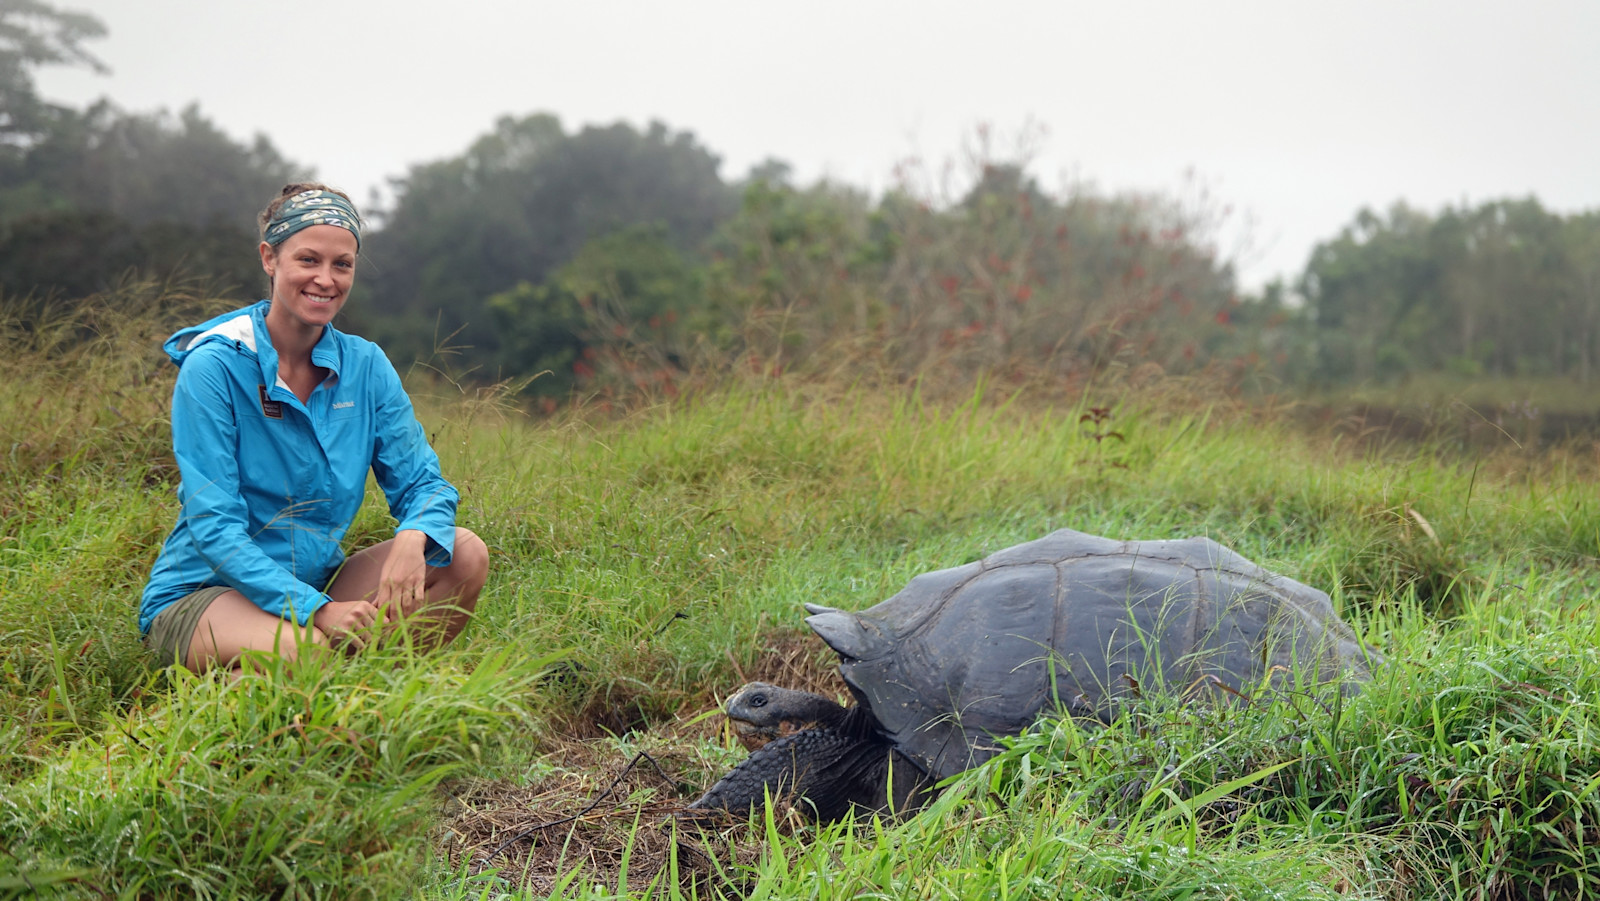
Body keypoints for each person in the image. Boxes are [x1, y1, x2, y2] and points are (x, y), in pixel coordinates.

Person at [138, 183, 488, 674]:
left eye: (341, 265)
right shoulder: (215, 366)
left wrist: (413, 536)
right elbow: (214, 527)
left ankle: (369, 700)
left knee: (462, 553)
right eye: (308, 260)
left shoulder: (365, 365)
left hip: (316, 583)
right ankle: (247, 696)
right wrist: (320, 611)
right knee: (304, 651)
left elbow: (423, 482)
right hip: (206, 593)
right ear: (269, 258)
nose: (325, 279)